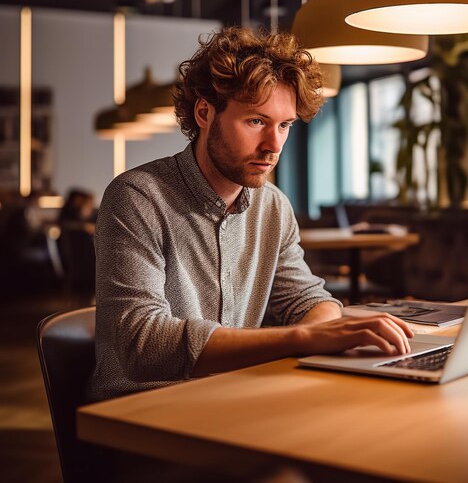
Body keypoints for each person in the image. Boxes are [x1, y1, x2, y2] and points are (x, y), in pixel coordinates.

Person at [89, 27, 412, 401]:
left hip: (236, 395)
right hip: (144, 409)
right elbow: (143, 346)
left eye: (285, 126)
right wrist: (304, 338)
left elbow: (306, 300)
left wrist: (322, 331)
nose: (274, 146)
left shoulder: (273, 205)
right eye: (256, 121)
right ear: (205, 112)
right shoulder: (137, 197)